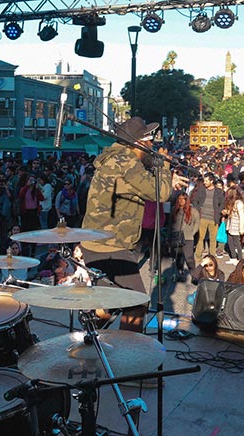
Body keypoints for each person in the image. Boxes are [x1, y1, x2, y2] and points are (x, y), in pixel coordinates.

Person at [78, 117, 185, 332]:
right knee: (137, 303)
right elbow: (161, 193)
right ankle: (128, 357)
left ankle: (90, 333)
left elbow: (142, 183)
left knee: (114, 299)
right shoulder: (127, 164)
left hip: (98, 243)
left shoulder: (117, 159)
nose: (153, 146)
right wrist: (164, 166)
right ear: (140, 143)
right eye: (151, 141)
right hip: (109, 247)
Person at [190, 173, 225, 259]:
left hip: (214, 218)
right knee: (200, 238)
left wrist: (219, 211)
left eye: (206, 180)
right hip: (202, 218)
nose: (204, 182)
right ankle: (198, 255)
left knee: (213, 239)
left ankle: (212, 257)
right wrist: (198, 210)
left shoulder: (218, 191)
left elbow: (222, 203)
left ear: (211, 181)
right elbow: (195, 201)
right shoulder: (201, 190)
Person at [169, 192, 199, 280]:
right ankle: (179, 272)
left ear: (187, 200)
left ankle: (194, 275)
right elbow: (170, 224)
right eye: (180, 199)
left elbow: (197, 222)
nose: (181, 201)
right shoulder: (174, 210)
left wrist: (192, 232)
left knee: (189, 258)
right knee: (178, 257)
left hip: (188, 237)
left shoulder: (193, 210)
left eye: (183, 199)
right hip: (176, 237)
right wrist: (169, 236)